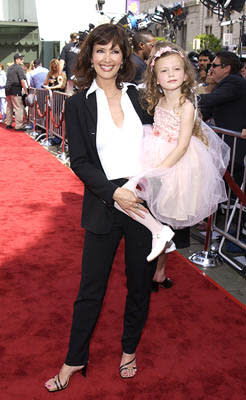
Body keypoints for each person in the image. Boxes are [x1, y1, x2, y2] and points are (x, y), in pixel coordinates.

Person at [45, 23, 158, 392]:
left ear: (125, 56)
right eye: (100, 50)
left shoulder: (140, 96)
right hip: (104, 203)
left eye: (115, 51)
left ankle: (128, 350)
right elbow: (79, 160)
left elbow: (159, 144)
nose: (107, 58)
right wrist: (113, 194)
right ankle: (74, 359)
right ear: (89, 56)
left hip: (141, 203)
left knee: (139, 285)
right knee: (90, 289)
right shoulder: (79, 103)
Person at [114, 41, 230, 267]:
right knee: (124, 198)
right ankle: (159, 233)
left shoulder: (186, 105)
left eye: (177, 69)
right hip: (153, 152)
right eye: (164, 71)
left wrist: (157, 170)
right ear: (156, 78)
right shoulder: (158, 101)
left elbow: (182, 145)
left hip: (176, 162)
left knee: (149, 201)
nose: (171, 75)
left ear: (186, 75)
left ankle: (161, 241)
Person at [199, 50, 246, 185]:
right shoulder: (226, 84)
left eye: (214, 65)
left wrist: (184, 99)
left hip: (234, 148)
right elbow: (207, 110)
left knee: (230, 190)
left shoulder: (234, 82)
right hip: (227, 147)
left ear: (226, 68)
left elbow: (213, 99)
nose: (211, 69)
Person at [5, 53, 28, 131]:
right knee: (19, 107)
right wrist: (26, 90)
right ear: (16, 59)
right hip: (15, 89)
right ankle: (18, 126)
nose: (22, 60)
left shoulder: (9, 68)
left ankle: (8, 123)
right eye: (21, 59)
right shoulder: (19, 68)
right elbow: (22, 80)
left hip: (8, 89)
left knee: (9, 107)